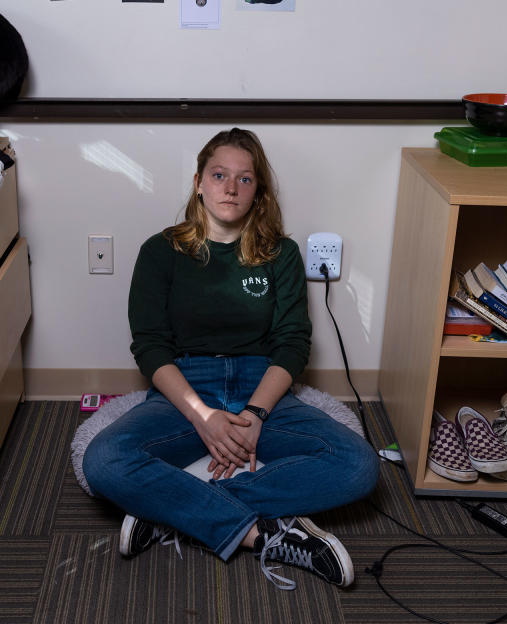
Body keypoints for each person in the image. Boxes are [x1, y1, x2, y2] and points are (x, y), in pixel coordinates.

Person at [82, 128, 379, 589]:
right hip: (186, 386)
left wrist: (256, 414)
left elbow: (293, 343)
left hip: (260, 386)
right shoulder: (160, 251)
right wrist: (202, 417)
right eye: (219, 175)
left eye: (244, 179)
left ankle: (176, 508)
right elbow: (151, 346)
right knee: (104, 460)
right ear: (199, 181)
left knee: (358, 464)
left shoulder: (281, 254)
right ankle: (259, 534)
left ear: (258, 191)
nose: (230, 187)